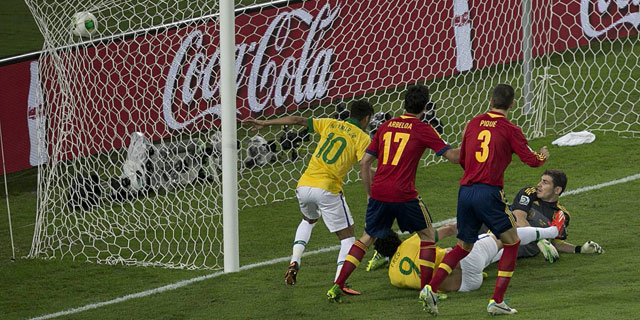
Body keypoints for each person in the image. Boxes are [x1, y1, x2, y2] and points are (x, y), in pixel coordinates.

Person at [421, 84, 550, 316]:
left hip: (465, 191)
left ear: (491, 101)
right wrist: (542, 155)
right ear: (512, 104)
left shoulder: (472, 123)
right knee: (511, 242)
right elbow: (532, 160)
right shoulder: (511, 129)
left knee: (463, 246)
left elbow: (462, 157)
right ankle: (497, 300)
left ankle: (429, 287)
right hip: (489, 192)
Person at [326, 84, 460, 302]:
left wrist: (370, 193)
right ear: (425, 107)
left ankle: (337, 285)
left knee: (366, 237)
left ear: (404, 103)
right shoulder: (424, 129)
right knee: (427, 236)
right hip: (404, 194)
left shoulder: (386, 126)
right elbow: (453, 157)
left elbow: (365, 162)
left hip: (379, 192)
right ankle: (427, 289)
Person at [244, 100, 374, 293]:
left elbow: (296, 119)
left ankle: (294, 261)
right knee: (347, 238)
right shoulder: (363, 138)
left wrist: (265, 123)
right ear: (366, 118)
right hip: (327, 188)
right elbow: (365, 166)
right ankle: (340, 282)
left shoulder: (330, 123)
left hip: (304, 185)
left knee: (309, 219)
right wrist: (374, 187)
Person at [371, 221, 564, 293]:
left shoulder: (393, 277)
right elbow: (447, 230)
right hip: (467, 262)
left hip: (464, 286)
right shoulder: (412, 241)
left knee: (486, 254)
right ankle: (553, 231)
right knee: (501, 235)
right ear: (396, 237)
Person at [511, 169, 604, 262]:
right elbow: (518, 218)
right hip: (505, 235)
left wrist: (580, 249)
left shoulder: (561, 214)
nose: (539, 184)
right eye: (541, 180)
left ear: (557, 190)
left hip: (519, 251)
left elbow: (557, 244)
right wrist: (539, 240)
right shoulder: (528, 193)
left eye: (545, 182)